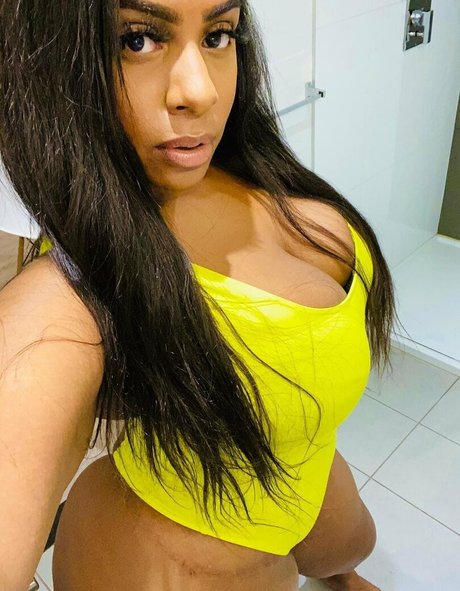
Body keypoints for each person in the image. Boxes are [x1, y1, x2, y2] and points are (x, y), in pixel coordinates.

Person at [0, 1, 397, 589]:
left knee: (350, 551)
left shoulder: (243, 163)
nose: (202, 91)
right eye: (137, 39)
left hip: (308, 469)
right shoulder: (70, 295)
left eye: (218, 35)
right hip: (177, 551)